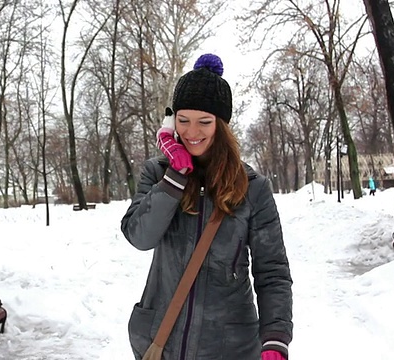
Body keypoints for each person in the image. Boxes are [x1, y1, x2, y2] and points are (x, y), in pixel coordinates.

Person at [121, 53, 293, 360]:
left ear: (222, 125)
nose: (192, 132)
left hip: (229, 348)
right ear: (172, 123)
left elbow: (272, 272)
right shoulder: (157, 173)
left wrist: (275, 338)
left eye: (204, 122)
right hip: (160, 344)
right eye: (183, 121)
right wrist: (175, 176)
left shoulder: (253, 188)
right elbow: (139, 237)